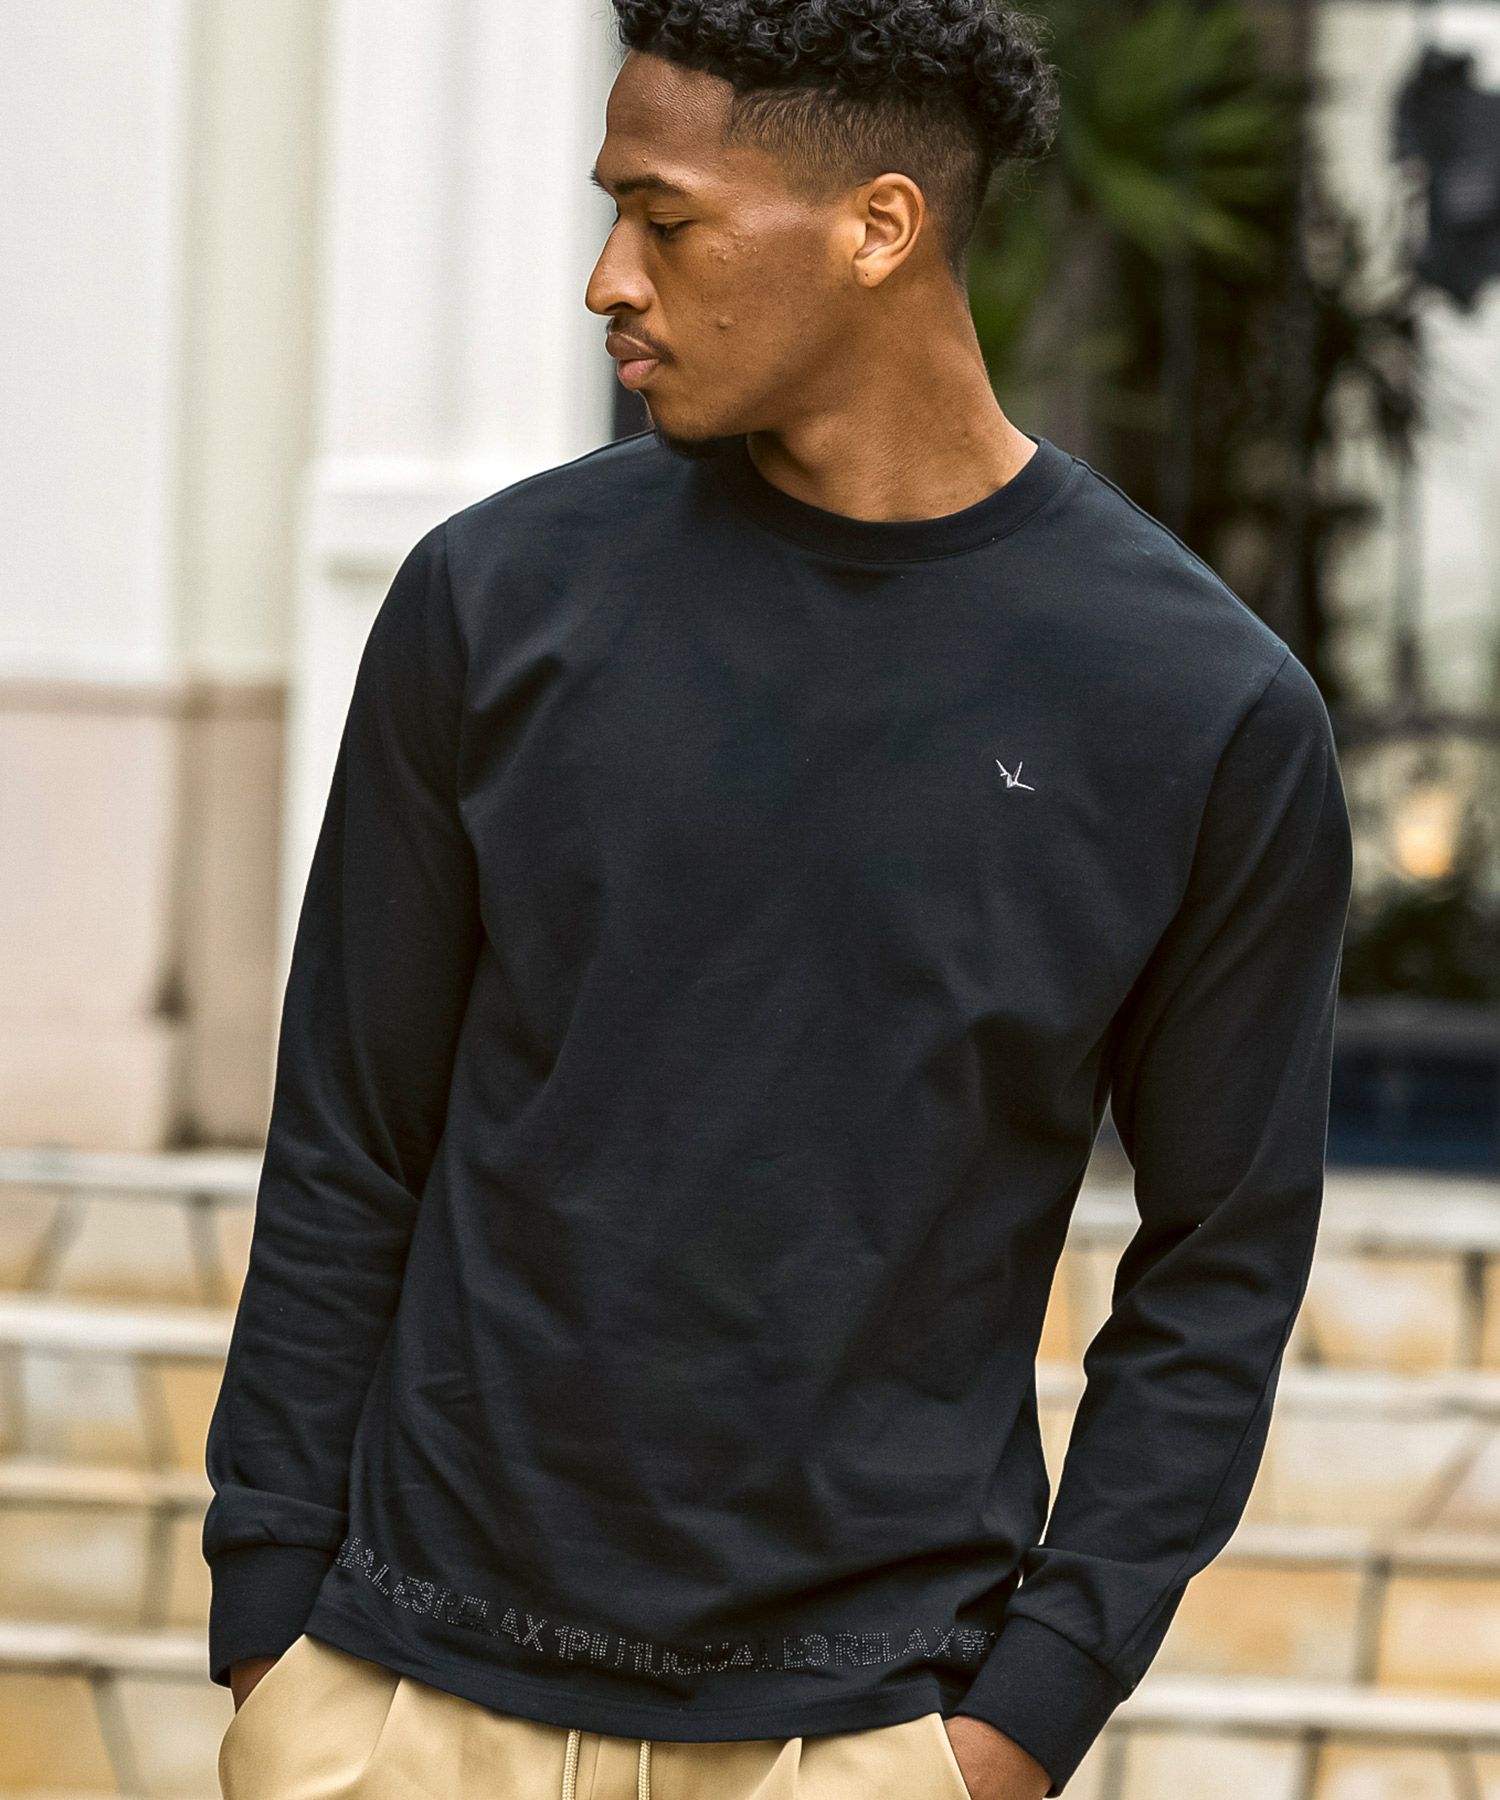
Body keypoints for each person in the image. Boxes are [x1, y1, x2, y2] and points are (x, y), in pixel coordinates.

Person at [202, 2, 1355, 1797]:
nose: (607, 280)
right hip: (400, 1699)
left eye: (664, 221)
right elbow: (351, 1132)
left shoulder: (1199, 710)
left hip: (861, 1734)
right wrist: (272, 1609)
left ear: (879, 227)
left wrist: (1025, 1720)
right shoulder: (491, 604)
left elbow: (1221, 1261)